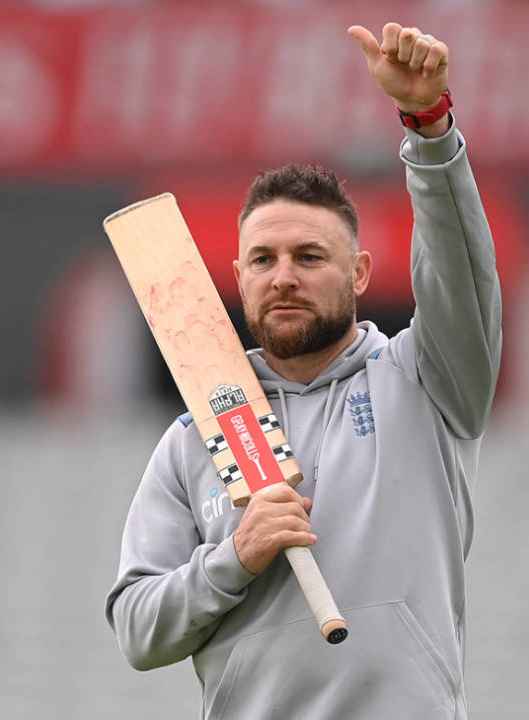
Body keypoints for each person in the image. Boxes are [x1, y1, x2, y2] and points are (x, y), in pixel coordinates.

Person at [106, 21, 501, 719]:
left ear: (358, 272)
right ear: (236, 276)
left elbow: (458, 271)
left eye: (309, 257)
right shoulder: (193, 437)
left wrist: (431, 130)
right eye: (263, 260)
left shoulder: (427, 382)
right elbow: (138, 631)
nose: (283, 277)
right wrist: (234, 559)